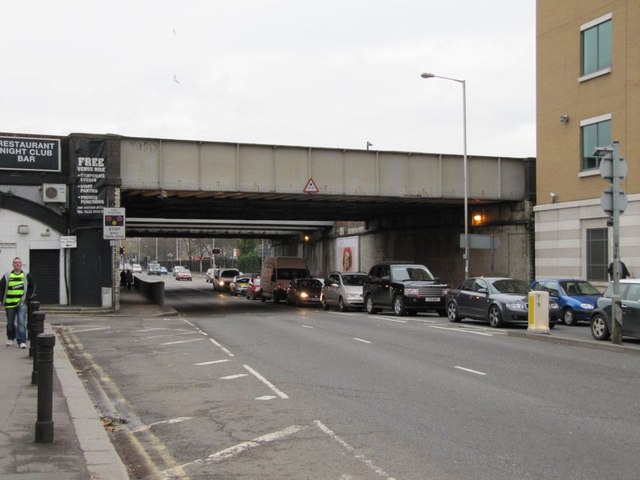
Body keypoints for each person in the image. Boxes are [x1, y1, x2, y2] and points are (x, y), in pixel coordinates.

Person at [0, 257, 35, 349]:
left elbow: (32, 286)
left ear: (21, 264)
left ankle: (22, 341)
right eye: (15, 262)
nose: (17, 264)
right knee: (10, 323)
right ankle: (11, 337)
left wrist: (27, 298)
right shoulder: (7, 276)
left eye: (19, 262)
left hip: (21, 303)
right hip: (9, 303)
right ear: (13, 264)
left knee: (21, 322)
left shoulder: (26, 275)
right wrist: (1, 300)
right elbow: (1, 288)